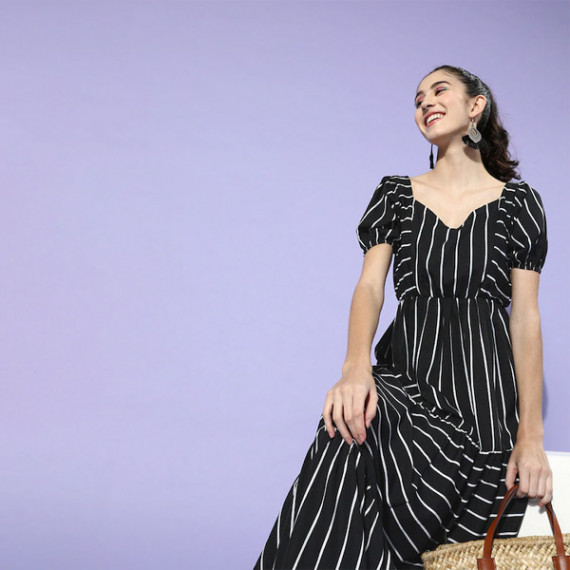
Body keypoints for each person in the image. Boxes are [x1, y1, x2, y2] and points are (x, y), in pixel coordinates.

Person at [253, 64, 553, 569]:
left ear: (475, 105)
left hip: (483, 405)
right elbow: (370, 287)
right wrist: (355, 368)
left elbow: (525, 318)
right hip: (410, 381)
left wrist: (530, 437)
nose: (425, 103)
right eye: (417, 99)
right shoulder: (396, 195)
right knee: (347, 423)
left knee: (455, 554)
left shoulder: (517, 204)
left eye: (439, 90)